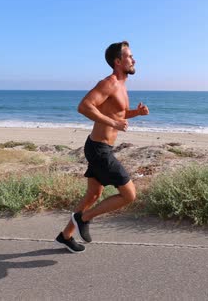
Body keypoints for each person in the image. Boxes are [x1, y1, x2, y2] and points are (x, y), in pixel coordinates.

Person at [55, 41, 149, 252]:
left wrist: (136, 113)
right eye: (130, 56)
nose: (134, 59)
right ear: (118, 61)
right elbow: (84, 106)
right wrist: (114, 123)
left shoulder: (122, 86)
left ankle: (65, 235)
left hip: (98, 146)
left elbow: (118, 113)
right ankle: (84, 218)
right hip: (99, 150)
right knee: (129, 195)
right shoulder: (109, 83)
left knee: (93, 195)